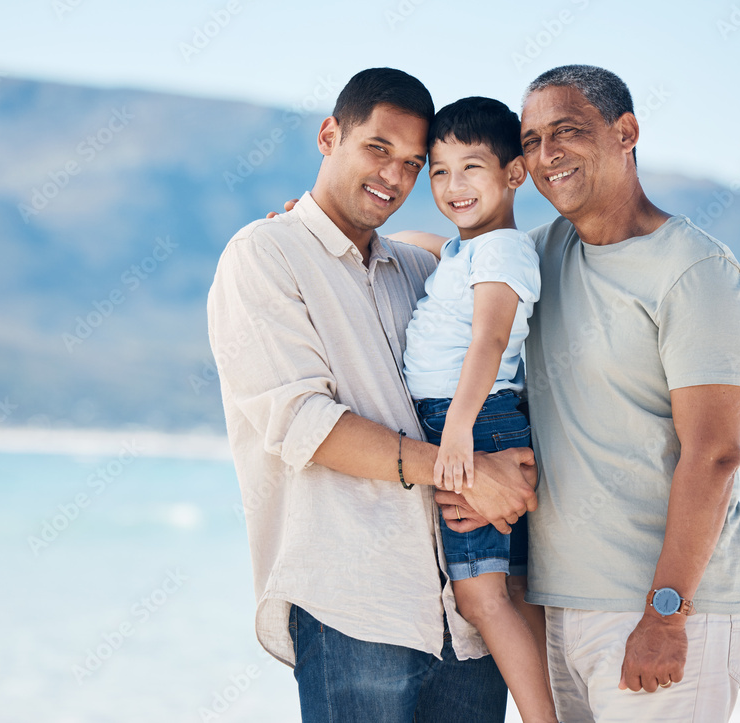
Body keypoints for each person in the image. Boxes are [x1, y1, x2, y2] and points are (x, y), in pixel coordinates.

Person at [207, 68, 538, 722]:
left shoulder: (416, 269)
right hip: (355, 612)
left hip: (465, 619)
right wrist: (468, 474)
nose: (395, 175)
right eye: (378, 149)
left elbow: (470, 272)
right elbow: (307, 424)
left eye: (415, 163)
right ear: (330, 135)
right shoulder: (264, 257)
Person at [434, 65, 740, 722]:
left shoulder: (694, 271)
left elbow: (715, 455)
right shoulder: (541, 254)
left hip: (661, 610)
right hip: (560, 607)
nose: (546, 154)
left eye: (566, 132)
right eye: (530, 140)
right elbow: (450, 263)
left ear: (626, 132)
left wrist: (665, 612)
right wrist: (319, 228)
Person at [399, 96, 556, 723]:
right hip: (473, 418)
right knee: (510, 590)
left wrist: (457, 435)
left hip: (471, 420)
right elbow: (419, 241)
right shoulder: (470, 252)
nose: (453, 185)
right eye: (438, 171)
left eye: (472, 168)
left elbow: (490, 339)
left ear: (514, 174)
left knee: (479, 598)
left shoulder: (501, 252)